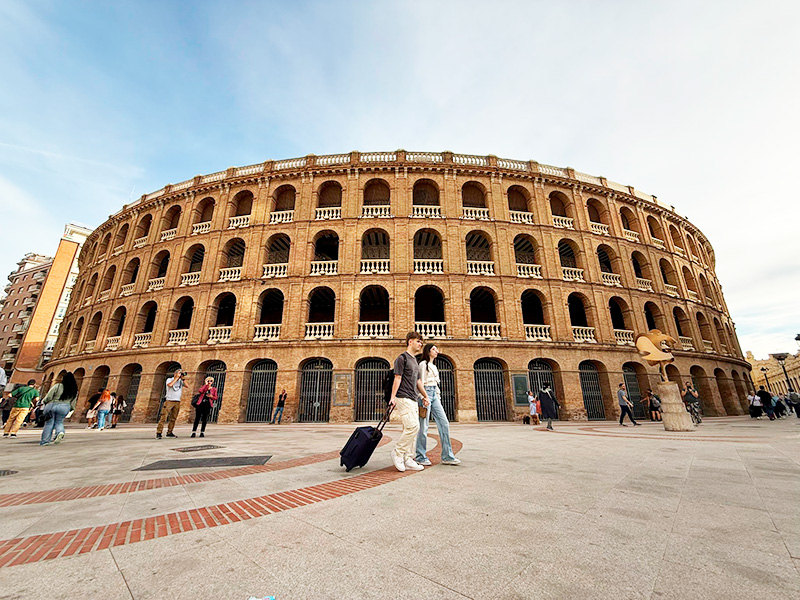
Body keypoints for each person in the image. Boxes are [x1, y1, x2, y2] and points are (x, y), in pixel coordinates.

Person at [389, 331, 430, 472]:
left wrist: (425, 396)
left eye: (421, 342)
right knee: (412, 427)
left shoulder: (415, 361)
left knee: (413, 429)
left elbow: (418, 381)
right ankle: (398, 452)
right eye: (418, 341)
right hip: (403, 397)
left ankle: (408, 458)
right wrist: (392, 397)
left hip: (413, 398)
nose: (420, 344)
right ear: (410, 341)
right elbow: (397, 378)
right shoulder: (402, 358)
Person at [414, 344, 460, 466]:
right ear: (428, 351)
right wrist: (423, 397)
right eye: (434, 349)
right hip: (425, 395)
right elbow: (420, 383)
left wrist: (437, 396)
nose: (437, 351)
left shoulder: (434, 366)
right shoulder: (423, 364)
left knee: (444, 422)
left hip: (434, 395)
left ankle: (447, 456)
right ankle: (420, 456)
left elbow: (435, 384)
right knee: (423, 427)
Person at [39, 372, 79, 445]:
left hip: (53, 404)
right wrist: (71, 408)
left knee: (49, 423)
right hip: (65, 406)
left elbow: (49, 396)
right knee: (59, 421)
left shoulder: (57, 386)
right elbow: (73, 401)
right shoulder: (74, 390)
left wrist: (44, 402)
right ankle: (60, 432)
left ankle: (45, 441)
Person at [156, 369, 185, 439]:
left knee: (173, 418)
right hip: (169, 400)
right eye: (179, 373)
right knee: (163, 417)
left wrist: (183, 379)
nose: (181, 374)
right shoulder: (170, 379)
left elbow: (187, 386)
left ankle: (169, 432)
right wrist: (176, 378)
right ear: (175, 373)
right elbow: (170, 385)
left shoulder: (180, 381)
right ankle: (159, 432)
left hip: (177, 401)